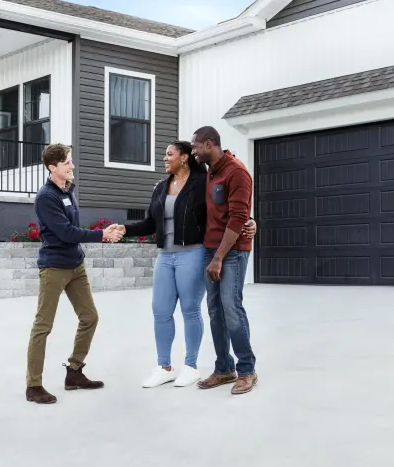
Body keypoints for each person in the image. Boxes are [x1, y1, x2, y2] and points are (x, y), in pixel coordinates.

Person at [113, 141, 256, 389]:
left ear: (184, 157)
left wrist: (250, 221)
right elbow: (150, 223)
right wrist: (125, 228)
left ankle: (190, 366)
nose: (164, 158)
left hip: (192, 252)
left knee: (191, 309)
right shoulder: (160, 187)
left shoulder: (202, 182)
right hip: (165, 256)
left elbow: (224, 209)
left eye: (169, 154)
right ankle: (164, 367)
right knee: (160, 310)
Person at [25, 143, 124, 405]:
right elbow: (66, 232)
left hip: (75, 265)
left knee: (89, 317)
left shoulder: (68, 189)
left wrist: (105, 231)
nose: (72, 165)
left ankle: (75, 371)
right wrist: (102, 234)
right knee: (43, 326)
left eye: (70, 161)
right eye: (67, 162)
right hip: (54, 267)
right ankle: (33, 385)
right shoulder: (46, 197)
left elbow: (74, 228)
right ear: (52, 167)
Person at [190, 126, 258, 395]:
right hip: (211, 249)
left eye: (196, 146)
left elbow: (239, 216)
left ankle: (247, 370)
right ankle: (223, 369)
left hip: (232, 251)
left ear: (209, 144)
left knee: (231, 307)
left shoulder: (237, 171)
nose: (193, 151)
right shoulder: (210, 171)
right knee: (215, 310)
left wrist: (218, 257)